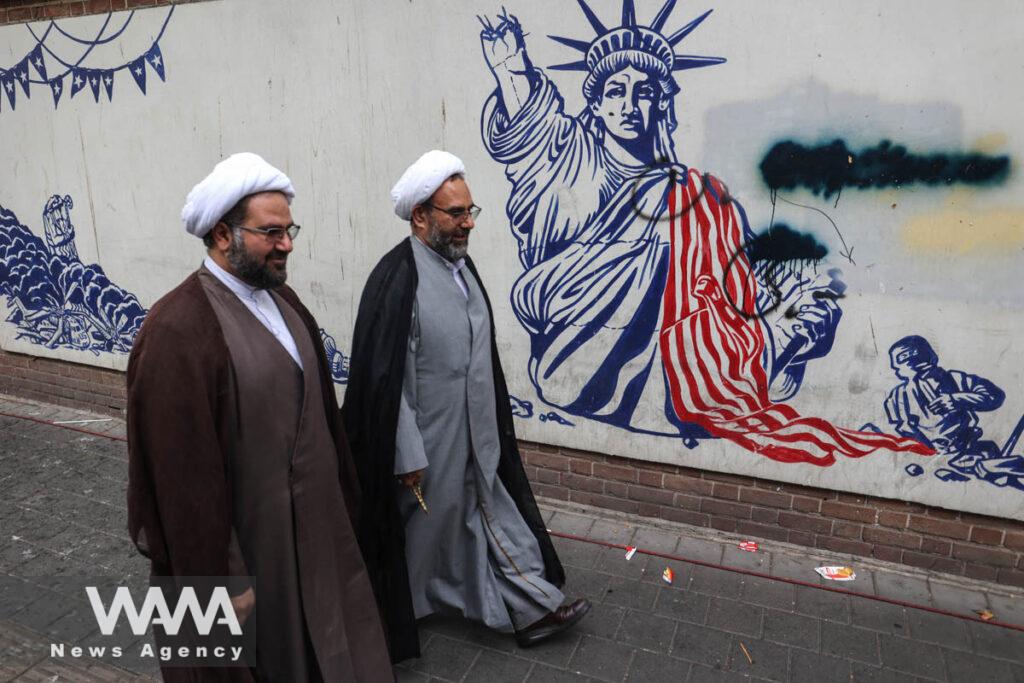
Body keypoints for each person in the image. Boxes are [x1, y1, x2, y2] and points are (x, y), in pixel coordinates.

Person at [478, 3, 932, 465]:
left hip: (691, 343)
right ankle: (764, 350)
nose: (629, 105)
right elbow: (531, 133)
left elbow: (735, 276)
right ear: (595, 103)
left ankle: (765, 351)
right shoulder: (571, 160)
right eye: (615, 91)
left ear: (663, 103)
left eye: (645, 92)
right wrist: (510, 68)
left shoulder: (701, 195)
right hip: (572, 331)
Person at [126, 153, 392, 682]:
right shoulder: (177, 331)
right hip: (250, 548)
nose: (287, 243)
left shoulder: (283, 299)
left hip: (317, 535)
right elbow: (179, 483)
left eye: (289, 229)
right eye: (271, 232)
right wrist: (219, 580)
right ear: (223, 235)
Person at [343, 150, 590, 662]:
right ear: (420, 216)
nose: (466, 224)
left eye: (469, 212)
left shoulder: (460, 266)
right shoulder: (397, 280)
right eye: (455, 214)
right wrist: (407, 454)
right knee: (422, 533)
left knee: (488, 512)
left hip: (476, 436)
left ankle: (530, 610)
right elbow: (389, 381)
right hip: (427, 445)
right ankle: (387, 617)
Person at [884, 335, 1005, 458]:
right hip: (929, 457)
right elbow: (904, 428)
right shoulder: (897, 396)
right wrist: (929, 448)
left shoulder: (955, 378)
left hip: (967, 448)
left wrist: (956, 399)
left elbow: (995, 396)